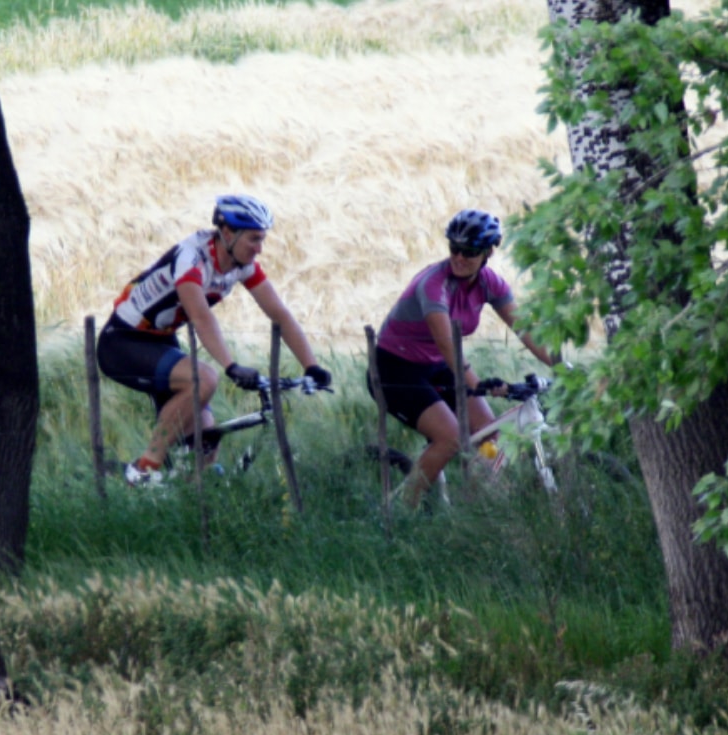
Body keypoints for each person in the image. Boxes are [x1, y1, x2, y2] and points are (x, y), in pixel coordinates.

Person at [97, 194, 333, 485]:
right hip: (122, 342)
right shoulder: (191, 258)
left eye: (263, 239)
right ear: (227, 233)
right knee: (203, 380)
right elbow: (200, 317)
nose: (260, 249)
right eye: (254, 239)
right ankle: (144, 469)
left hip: (161, 342)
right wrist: (231, 366)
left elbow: (280, 315)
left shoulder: (241, 264)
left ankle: (177, 501)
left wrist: (312, 366)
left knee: (206, 446)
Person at [368, 209, 557, 507]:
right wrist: (479, 384)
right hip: (394, 369)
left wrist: (562, 367)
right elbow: (448, 346)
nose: (459, 257)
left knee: (489, 433)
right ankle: (404, 512)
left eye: (469, 252)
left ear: (487, 253)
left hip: (435, 367)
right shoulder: (433, 284)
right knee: (450, 437)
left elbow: (526, 329)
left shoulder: (489, 283)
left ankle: (475, 506)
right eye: (454, 248)